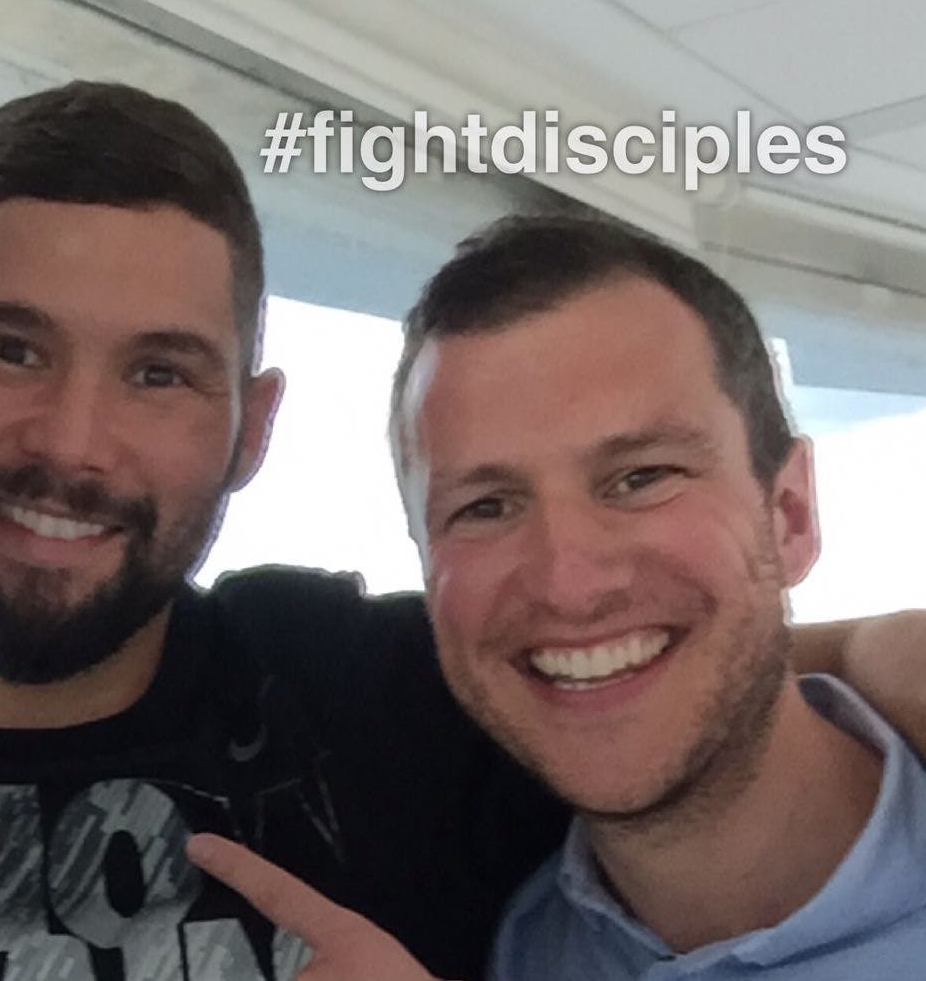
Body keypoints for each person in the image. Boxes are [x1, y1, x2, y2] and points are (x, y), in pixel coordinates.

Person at [0, 84, 923, 981]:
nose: (74, 442)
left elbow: (664, 665)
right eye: (10, 349)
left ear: (252, 428)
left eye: (160, 373)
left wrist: (880, 652)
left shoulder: (373, 695)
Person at [189, 214, 926, 980]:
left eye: (641, 478)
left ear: (791, 516)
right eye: (486, 508)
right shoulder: (520, 936)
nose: (568, 585)